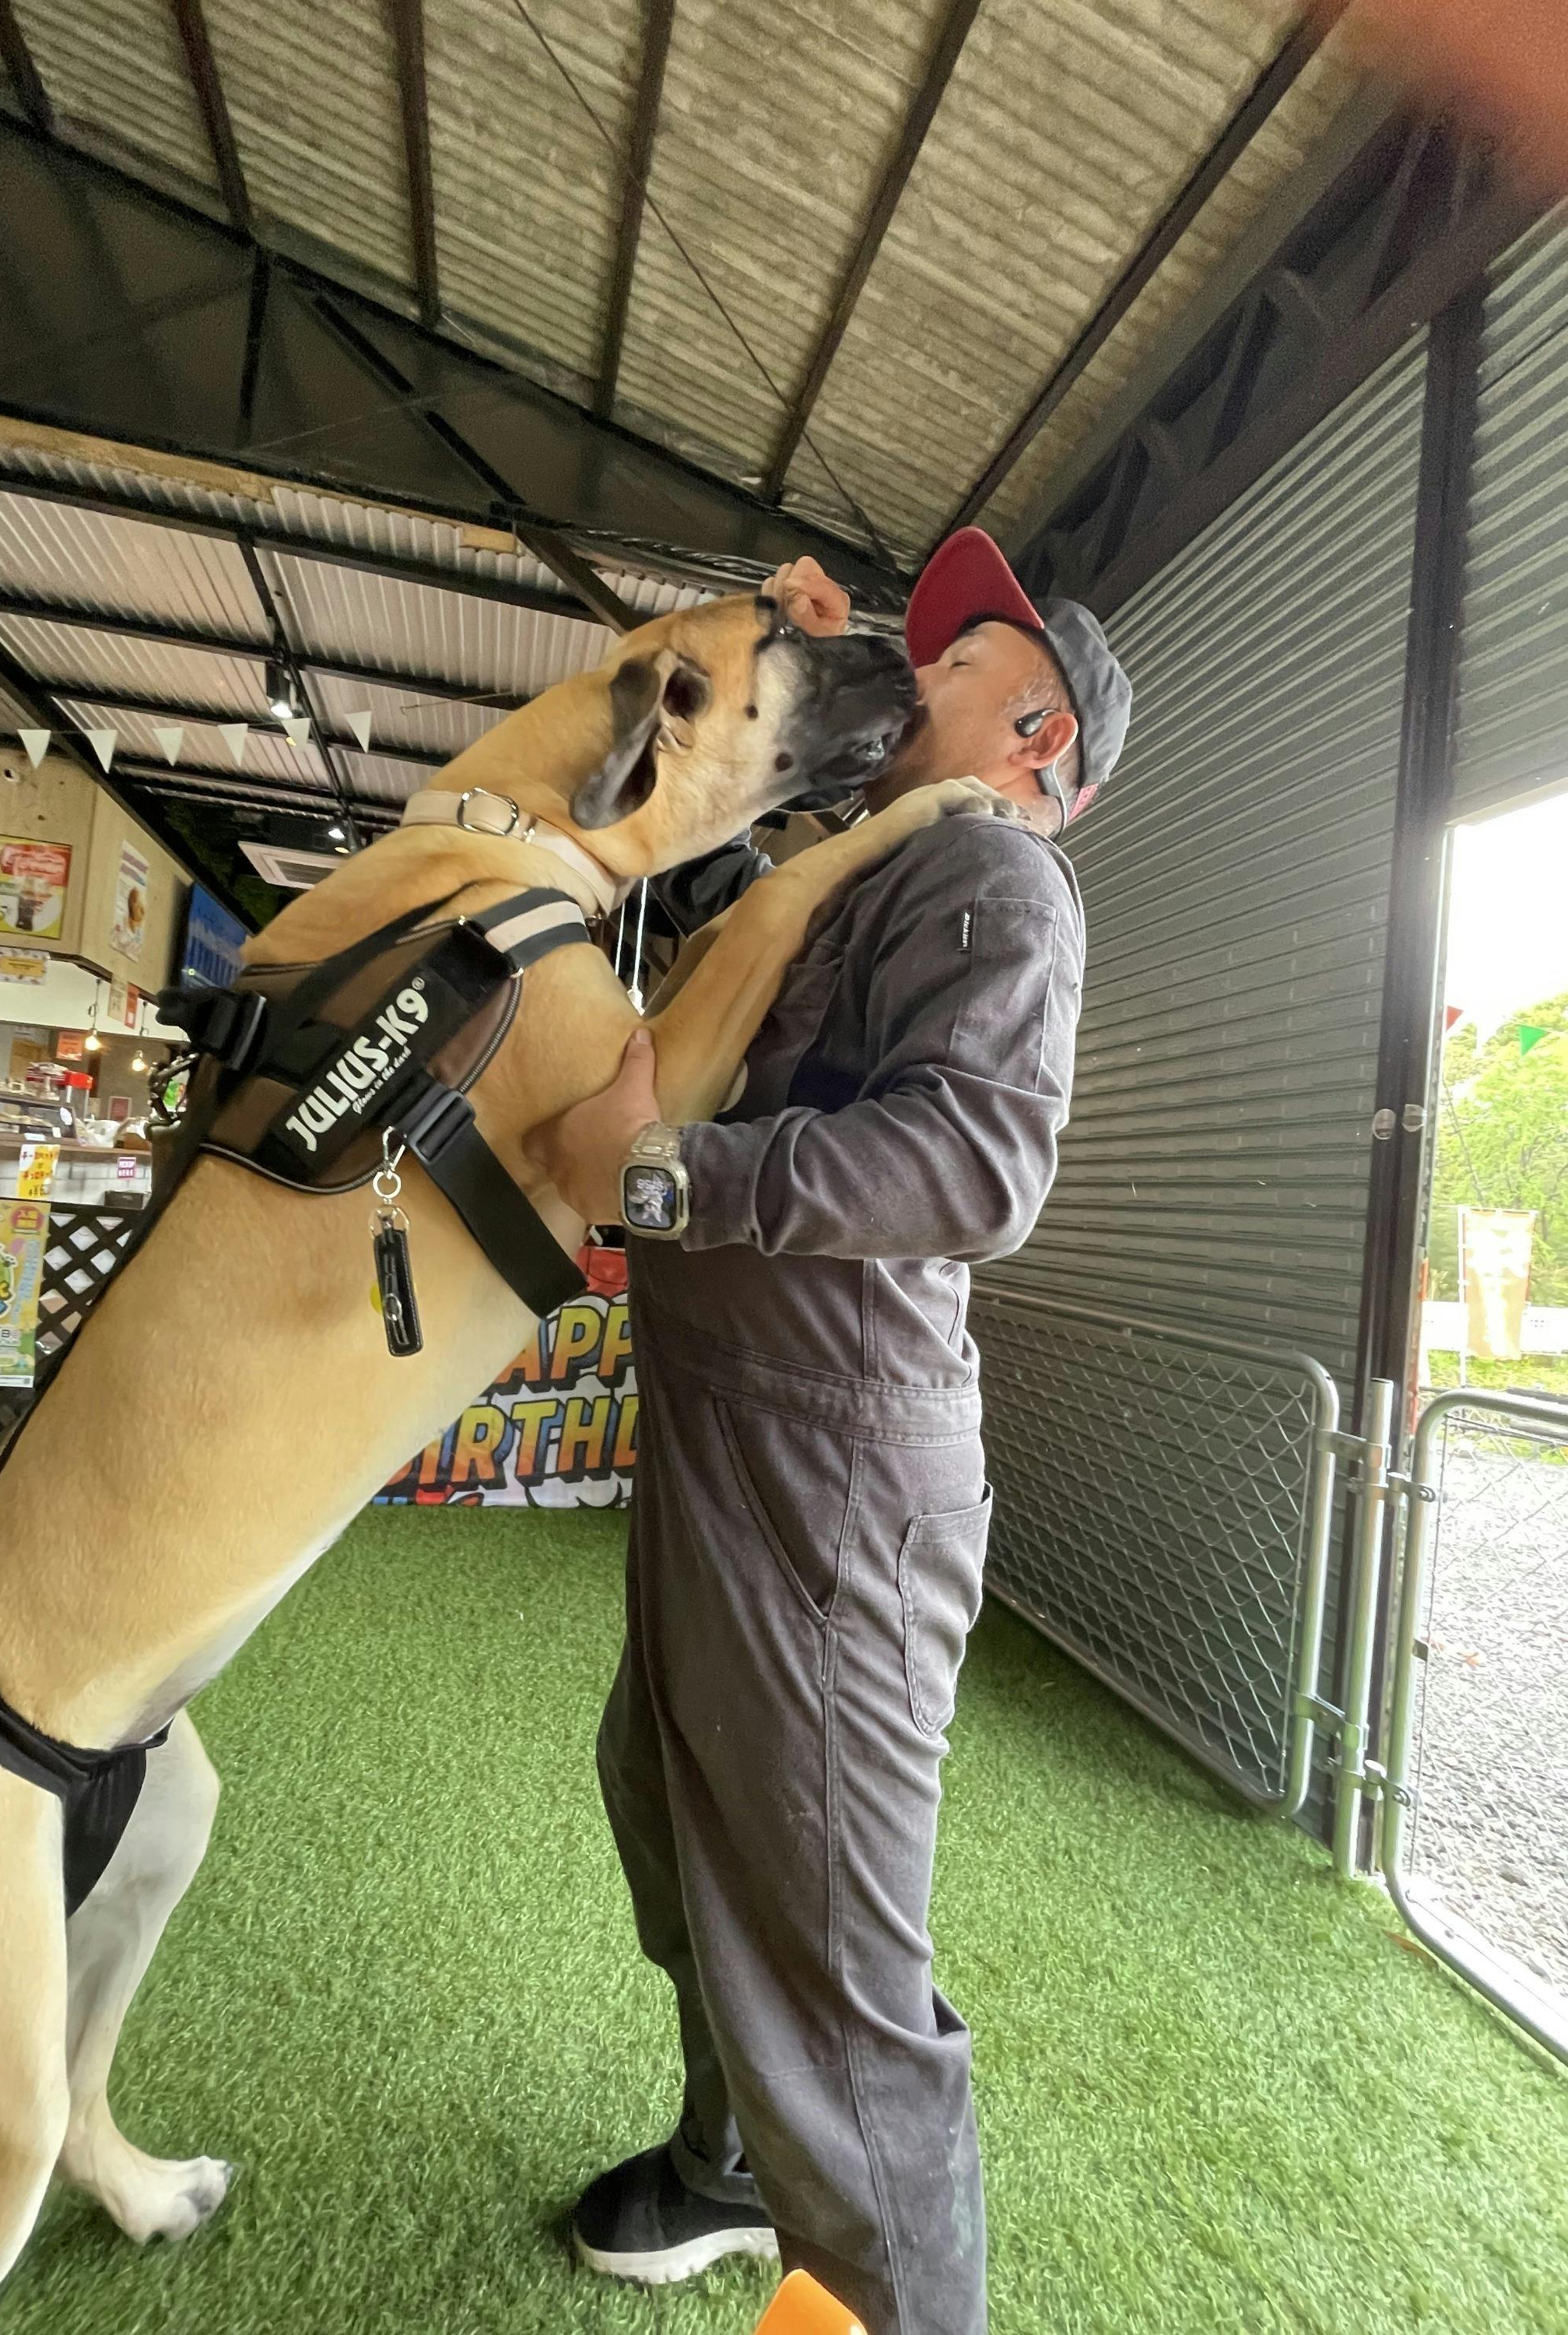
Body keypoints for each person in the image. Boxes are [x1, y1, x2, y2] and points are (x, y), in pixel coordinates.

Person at [529, 530, 1132, 2335]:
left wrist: (663, 1177)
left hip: (837, 1469)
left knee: (835, 1952)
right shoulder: (866, 862)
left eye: (949, 662)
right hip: (740, 1429)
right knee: (674, 1806)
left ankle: (892, 2303)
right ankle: (732, 2167)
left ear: (1034, 731)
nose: (912, 670)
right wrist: (790, 654)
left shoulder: (998, 885)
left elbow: (976, 1165)